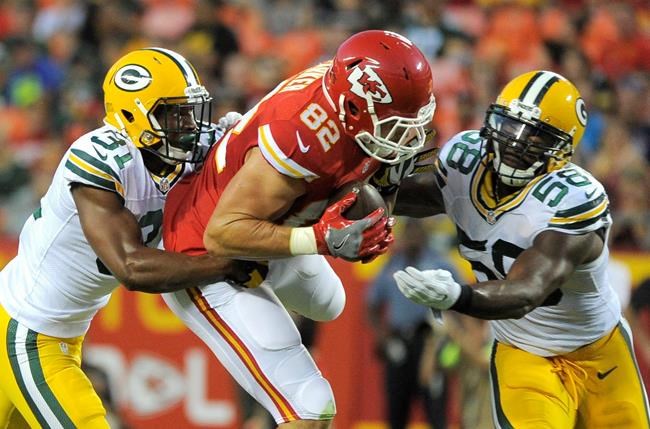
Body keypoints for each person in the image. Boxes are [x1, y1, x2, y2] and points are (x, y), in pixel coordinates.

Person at [161, 30, 436, 428]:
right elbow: (222, 233)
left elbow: (360, 188)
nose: (409, 135)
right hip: (207, 253)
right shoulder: (300, 137)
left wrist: (382, 186)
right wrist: (319, 239)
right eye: (396, 123)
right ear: (353, 108)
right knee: (310, 406)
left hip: (273, 223)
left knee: (329, 303)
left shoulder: (347, 96)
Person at [0, 47, 248, 428]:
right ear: (133, 116)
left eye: (188, 110)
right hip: (27, 334)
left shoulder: (186, 150)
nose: (187, 124)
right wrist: (226, 265)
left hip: (53, 332)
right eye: (172, 113)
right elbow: (131, 266)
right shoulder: (100, 159)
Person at [392, 70, 650, 428]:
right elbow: (405, 196)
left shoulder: (573, 198)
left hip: (599, 351)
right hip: (522, 352)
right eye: (510, 125)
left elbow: (525, 292)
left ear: (561, 149)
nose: (515, 142)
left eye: (535, 135)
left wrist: (457, 296)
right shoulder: (464, 161)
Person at [366, 218, 451, 429]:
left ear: (424, 237)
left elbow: (459, 299)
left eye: (417, 233)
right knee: (396, 409)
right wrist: (382, 337)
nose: (413, 238)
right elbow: (372, 305)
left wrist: (451, 337)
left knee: (435, 408)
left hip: (429, 343)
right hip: (399, 343)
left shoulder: (438, 264)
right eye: (409, 233)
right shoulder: (392, 265)